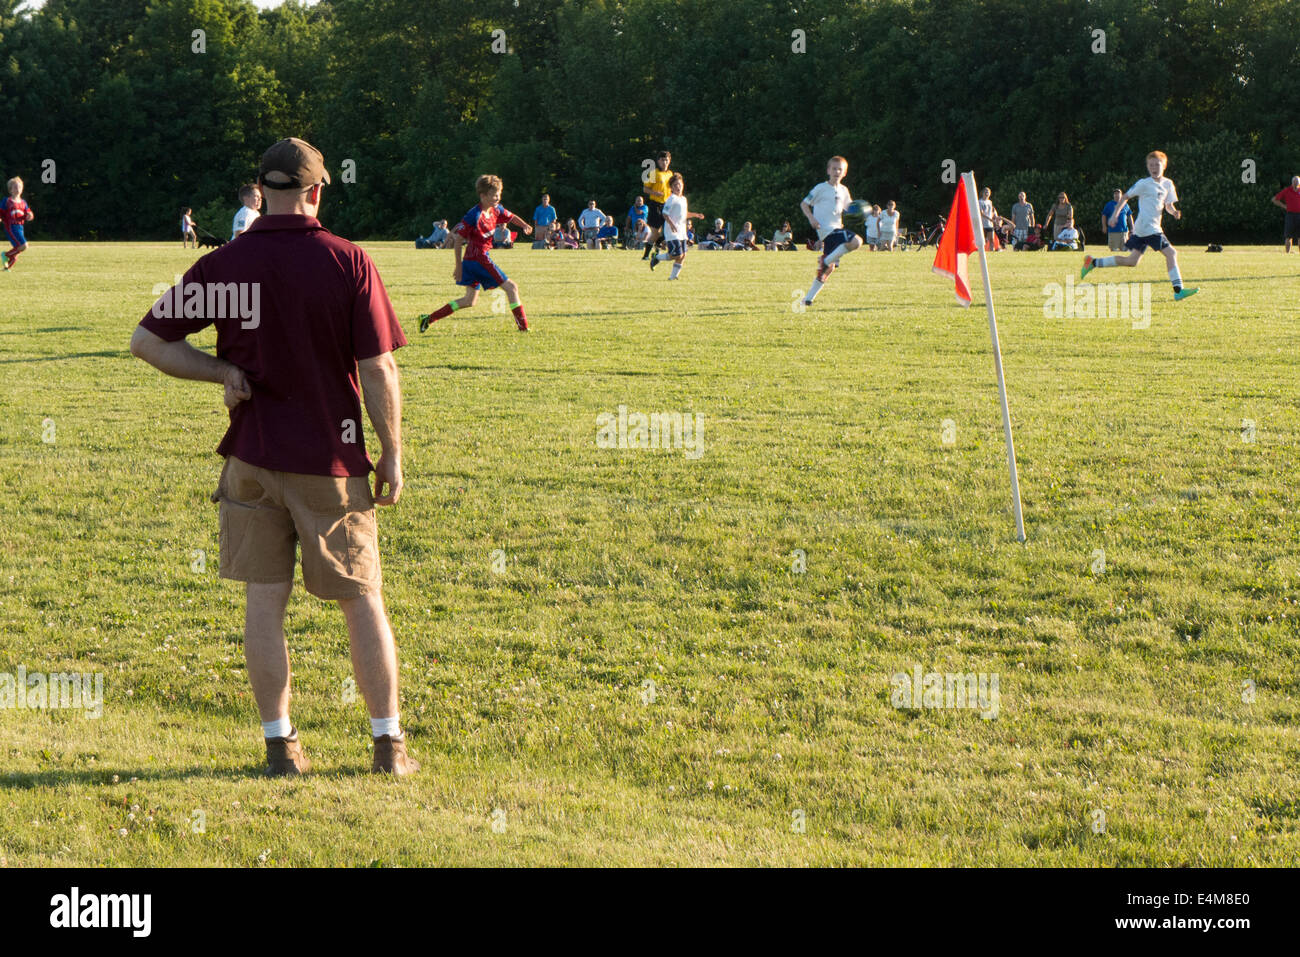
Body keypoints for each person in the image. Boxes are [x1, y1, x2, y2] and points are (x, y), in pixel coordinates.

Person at [129, 137, 419, 777]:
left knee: (264, 601)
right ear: (317, 192)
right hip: (331, 459)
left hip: (252, 459)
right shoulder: (348, 262)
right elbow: (377, 368)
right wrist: (392, 451)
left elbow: (146, 342)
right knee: (362, 598)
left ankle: (279, 747)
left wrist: (220, 370)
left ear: (261, 192)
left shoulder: (224, 263)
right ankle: (387, 746)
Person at [418, 174, 534, 331]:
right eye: (494, 195)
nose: (497, 198)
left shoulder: (496, 209)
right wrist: (458, 267)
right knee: (512, 287)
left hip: (472, 260)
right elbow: (458, 240)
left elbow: (511, 217)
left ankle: (428, 319)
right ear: (483, 195)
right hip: (479, 259)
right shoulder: (474, 215)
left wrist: (525, 225)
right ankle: (524, 328)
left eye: (499, 194)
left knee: (469, 301)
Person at [1082, 150, 1198, 300]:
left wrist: (1174, 212)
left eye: (1157, 164)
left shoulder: (1168, 184)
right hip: (1149, 228)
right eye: (1151, 165)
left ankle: (1093, 262)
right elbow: (1125, 197)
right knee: (1171, 253)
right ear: (1147, 167)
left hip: (1144, 229)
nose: (1154, 168)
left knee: (1132, 261)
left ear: (1164, 166)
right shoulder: (1144, 184)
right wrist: (1114, 215)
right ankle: (1178, 291)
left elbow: (1168, 205)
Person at [799, 155, 863, 306]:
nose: (837, 171)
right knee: (856, 241)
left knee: (828, 269)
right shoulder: (821, 188)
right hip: (827, 230)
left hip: (835, 231)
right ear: (828, 170)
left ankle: (807, 299)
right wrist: (811, 218)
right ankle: (825, 260)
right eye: (834, 168)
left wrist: (861, 210)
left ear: (845, 173)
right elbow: (804, 204)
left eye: (840, 169)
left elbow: (849, 208)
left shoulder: (844, 190)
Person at [649, 172, 702, 279]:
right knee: (676, 255)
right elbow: (664, 213)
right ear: (671, 188)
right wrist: (672, 225)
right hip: (672, 232)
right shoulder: (671, 199)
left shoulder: (683, 199)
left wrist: (695, 215)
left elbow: (684, 214)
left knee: (683, 255)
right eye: (675, 185)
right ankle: (657, 257)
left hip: (682, 232)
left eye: (679, 184)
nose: (678, 187)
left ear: (682, 184)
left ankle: (673, 277)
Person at [641, 150, 674, 261]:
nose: (664, 162)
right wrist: (656, 193)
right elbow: (645, 189)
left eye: (666, 160)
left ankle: (657, 250)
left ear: (669, 161)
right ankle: (646, 255)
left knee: (668, 230)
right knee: (656, 232)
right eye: (662, 160)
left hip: (667, 204)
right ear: (658, 161)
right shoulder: (654, 173)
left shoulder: (670, 174)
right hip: (656, 204)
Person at [2, 177, 33, 271]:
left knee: (17, 251)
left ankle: (6, 268)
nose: (18, 189)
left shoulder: (23, 202)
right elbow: (1, 212)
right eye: (15, 187)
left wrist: (30, 215)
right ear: (10, 190)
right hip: (11, 226)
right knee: (24, 246)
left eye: (19, 187)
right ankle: (5, 255)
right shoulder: (7, 201)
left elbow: (28, 212)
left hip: (20, 227)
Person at [1270, 176, 1300, 253]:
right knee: (1288, 236)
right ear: (1292, 183)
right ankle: (1287, 254)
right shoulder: (1287, 190)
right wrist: (1284, 206)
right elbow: (1274, 200)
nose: (1296, 183)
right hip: (1290, 215)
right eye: (1294, 182)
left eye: (1297, 182)